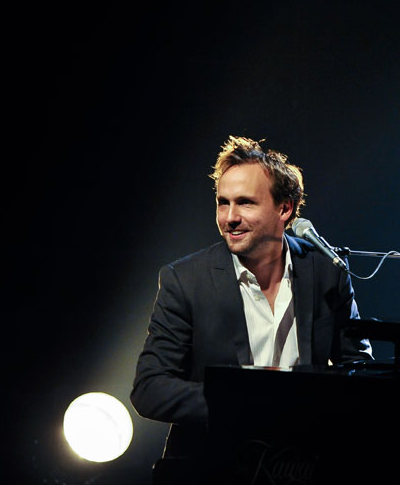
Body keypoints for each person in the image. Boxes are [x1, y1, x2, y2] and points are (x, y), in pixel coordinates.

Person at [131, 136, 372, 461]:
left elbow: (359, 370)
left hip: (302, 464)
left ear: (284, 208)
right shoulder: (185, 280)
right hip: (215, 464)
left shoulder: (327, 272)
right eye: (223, 203)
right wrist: (247, 400)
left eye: (245, 202)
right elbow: (149, 389)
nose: (229, 217)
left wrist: (313, 403)